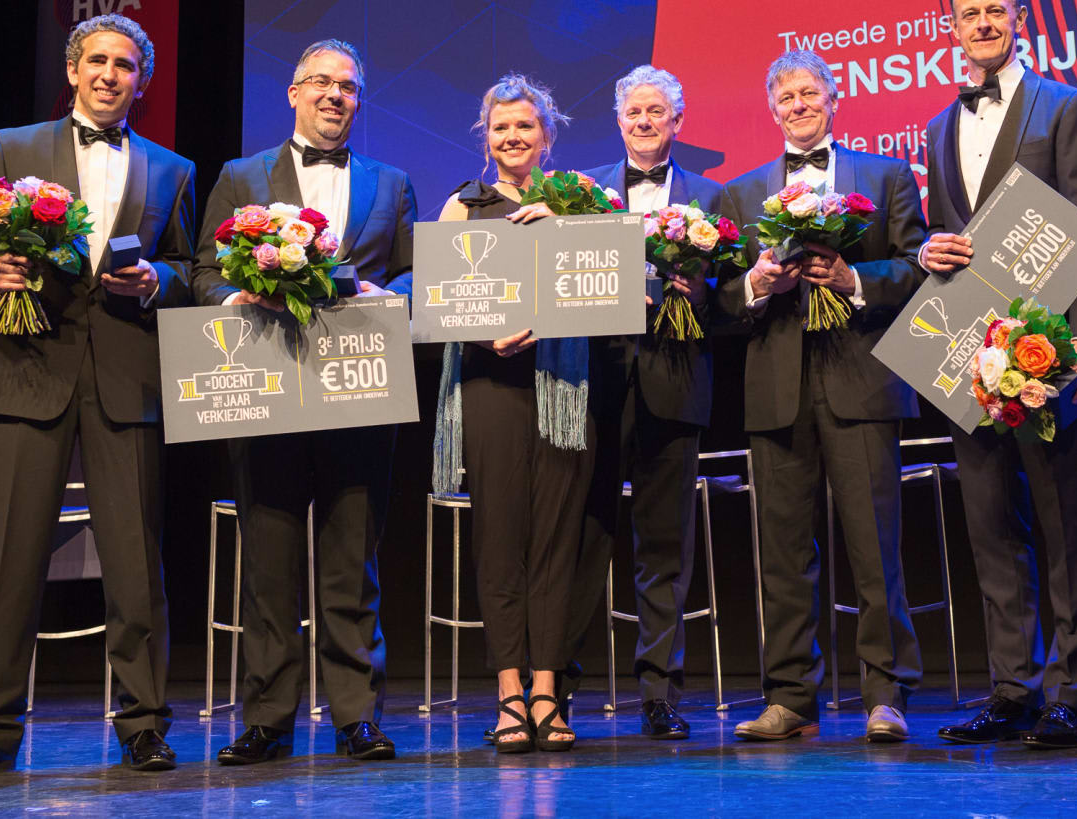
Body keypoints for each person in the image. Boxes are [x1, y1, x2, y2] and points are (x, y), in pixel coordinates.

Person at [0, 14, 195, 779]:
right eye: (97, 61)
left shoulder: (172, 169)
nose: (110, 74)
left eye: (125, 65)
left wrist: (157, 280)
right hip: (27, 369)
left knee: (136, 565)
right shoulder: (14, 147)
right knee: (9, 562)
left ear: (142, 80)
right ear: (73, 70)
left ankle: (144, 724)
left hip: (127, 381)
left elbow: (189, 266)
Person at [193, 40, 416, 764]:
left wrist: (389, 293)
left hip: (360, 384)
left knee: (353, 559)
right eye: (319, 82)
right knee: (269, 560)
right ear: (293, 92)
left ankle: (356, 716)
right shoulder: (241, 175)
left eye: (346, 86)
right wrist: (233, 295)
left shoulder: (392, 183)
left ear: (358, 100)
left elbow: (416, 275)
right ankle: (268, 719)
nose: (333, 95)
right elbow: (201, 271)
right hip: (267, 382)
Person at [919, 0, 1077, 749]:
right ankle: (1013, 688)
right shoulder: (938, 126)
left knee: (1065, 521)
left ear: (1020, 19)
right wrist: (929, 250)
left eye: (995, 10)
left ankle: (1073, 693)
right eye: (969, 13)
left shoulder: (1064, 105)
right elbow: (946, 233)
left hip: (1047, 343)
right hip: (966, 345)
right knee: (990, 521)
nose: (982, 23)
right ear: (953, 29)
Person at [717, 49, 926, 744]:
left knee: (875, 549)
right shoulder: (741, 194)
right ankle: (789, 698)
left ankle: (885, 694)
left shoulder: (887, 175)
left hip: (862, 381)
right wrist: (755, 285)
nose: (799, 106)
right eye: (787, 97)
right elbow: (720, 297)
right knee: (781, 554)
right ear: (772, 110)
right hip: (776, 390)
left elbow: (918, 268)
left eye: (810, 93)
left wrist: (852, 279)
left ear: (834, 98)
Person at [559, 66, 725, 741]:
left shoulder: (712, 196)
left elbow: (734, 300)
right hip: (597, 385)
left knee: (664, 547)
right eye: (634, 111)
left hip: (674, 382)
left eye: (657, 111)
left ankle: (659, 692)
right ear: (618, 121)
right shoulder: (585, 193)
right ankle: (556, 690)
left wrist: (700, 293)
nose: (645, 121)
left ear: (677, 121)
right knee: (580, 541)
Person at [432, 75, 595, 754]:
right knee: (500, 539)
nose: (512, 137)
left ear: (546, 135)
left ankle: (548, 691)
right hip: (491, 386)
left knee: (557, 541)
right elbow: (441, 300)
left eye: (525, 126)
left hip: (564, 387)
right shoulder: (462, 206)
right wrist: (485, 336)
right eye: (500, 127)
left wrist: (566, 227)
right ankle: (508, 692)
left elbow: (604, 281)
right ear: (486, 137)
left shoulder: (580, 200)